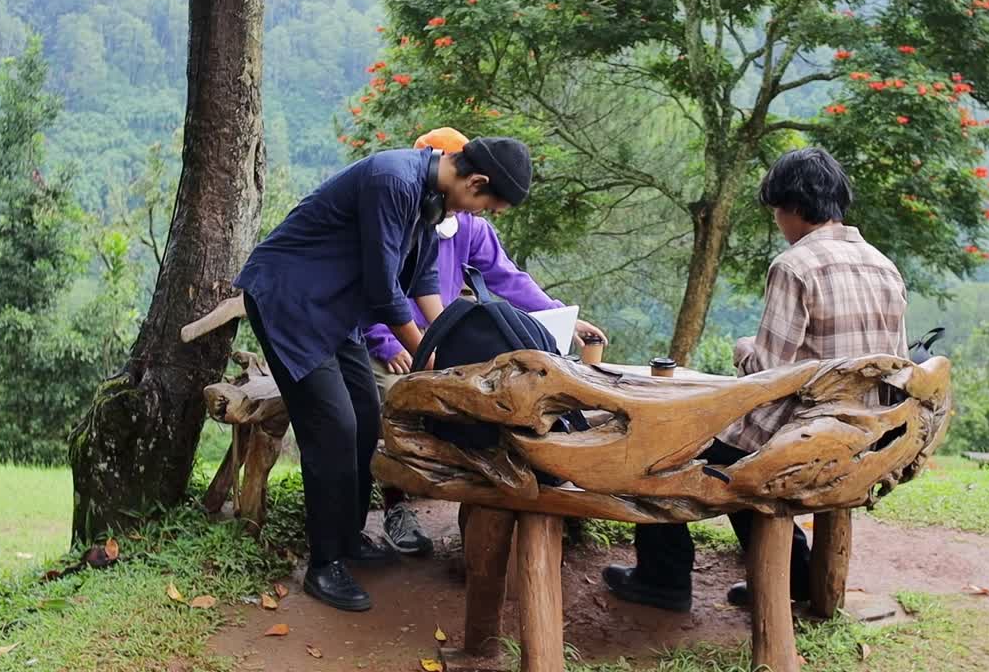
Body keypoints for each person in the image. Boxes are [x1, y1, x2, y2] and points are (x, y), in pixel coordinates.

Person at [601, 147, 908, 612]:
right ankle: (795, 578)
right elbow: (897, 364)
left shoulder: (795, 266)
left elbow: (767, 371)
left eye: (778, 213)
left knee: (665, 450)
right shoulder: (884, 265)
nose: (779, 224)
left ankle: (662, 578)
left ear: (795, 207)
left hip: (801, 436)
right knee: (738, 457)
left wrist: (744, 347)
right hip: (861, 438)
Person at [234, 135, 534, 612]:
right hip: (291, 302)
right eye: (488, 204)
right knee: (334, 427)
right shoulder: (392, 181)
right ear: (475, 181)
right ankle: (324, 564)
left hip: (335, 311)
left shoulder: (434, 201)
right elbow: (383, 289)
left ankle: (348, 537)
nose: (484, 215)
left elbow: (423, 282)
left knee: (367, 416)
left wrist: (445, 347)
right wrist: (427, 358)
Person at [364, 127, 606, 556]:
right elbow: (376, 289)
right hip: (392, 344)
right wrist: (387, 342)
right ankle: (396, 505)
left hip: (440, 345)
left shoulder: (468, 228)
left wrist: (562, 317)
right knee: (396, 401)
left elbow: (507, 278)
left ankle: (481, 508)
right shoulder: (400, 210)